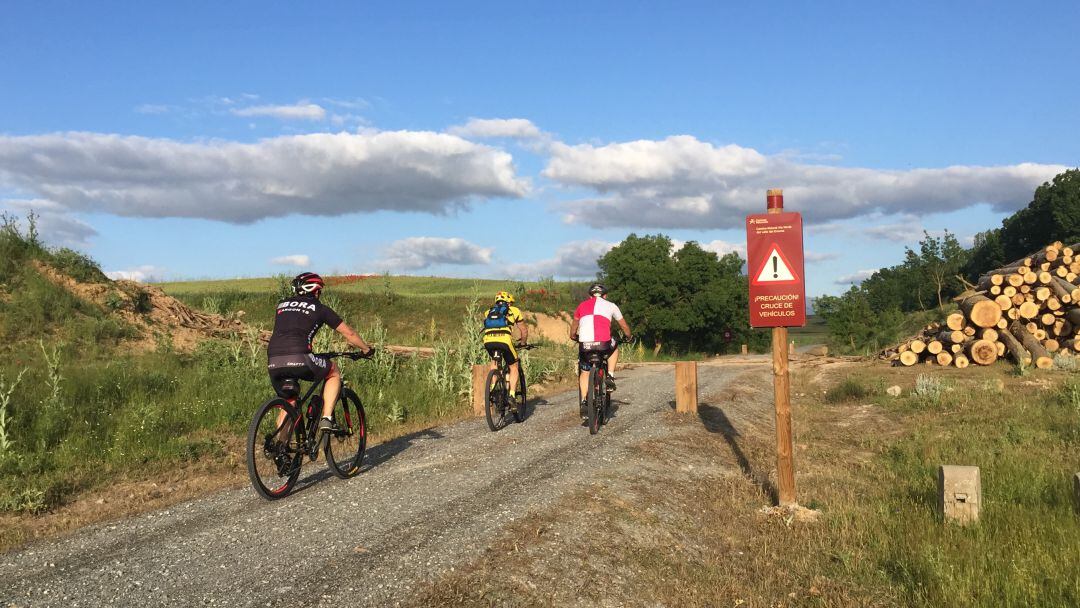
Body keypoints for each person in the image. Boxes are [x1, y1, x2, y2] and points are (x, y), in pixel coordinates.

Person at [266, 272, 374, 439]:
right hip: (300, 357)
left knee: (289, 402)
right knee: (333, 371)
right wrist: (366, 349)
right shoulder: (320, 309)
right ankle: (327, 418)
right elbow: (350, 334)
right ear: (316, 291)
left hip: (274, 361)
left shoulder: (281, 305)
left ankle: (281, 451)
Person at [569, 283, 632, 419]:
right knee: (614, 347)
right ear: (605, 295)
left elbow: (574, 327)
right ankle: (609, 375)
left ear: (589, 296)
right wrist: (629, 336)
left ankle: (584, 402)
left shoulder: (581, 306)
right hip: (603, 344)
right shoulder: (611, 305)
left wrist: (573, 336)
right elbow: (623, 325)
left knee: (585, 372)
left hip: (585, 345)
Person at [481, 291, 528, 405]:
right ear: (508, 302)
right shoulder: (515, 310)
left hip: (488, 341)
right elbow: (524, 330)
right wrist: (523, 342)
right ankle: (511, 395)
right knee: (514, 365)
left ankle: (492, 387)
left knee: (495, 362)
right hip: (505, 341)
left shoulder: (488, 312)